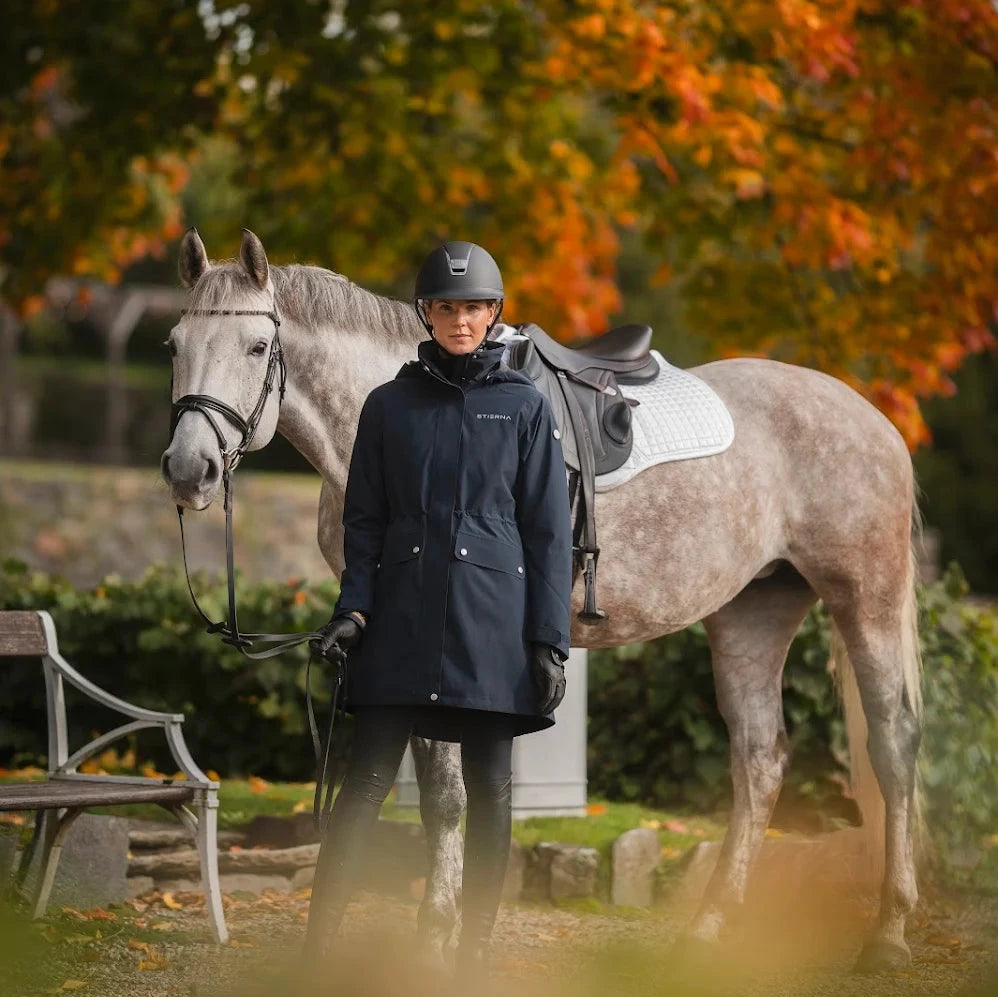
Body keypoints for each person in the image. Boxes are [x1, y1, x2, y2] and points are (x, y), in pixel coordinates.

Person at [303, 240, 574, 974]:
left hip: (493, 631)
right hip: (399, 624)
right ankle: (315, 955)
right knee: (361, 787)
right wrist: (353, 611)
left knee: (491, 791)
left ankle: (474, 957)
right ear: (426, 312)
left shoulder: (525, 406)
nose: (461, 320)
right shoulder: (387, 406)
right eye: (448, 307)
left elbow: (550, 534)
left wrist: (550, 639)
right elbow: (364, 522)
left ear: (494, 313)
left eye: (475, 307)